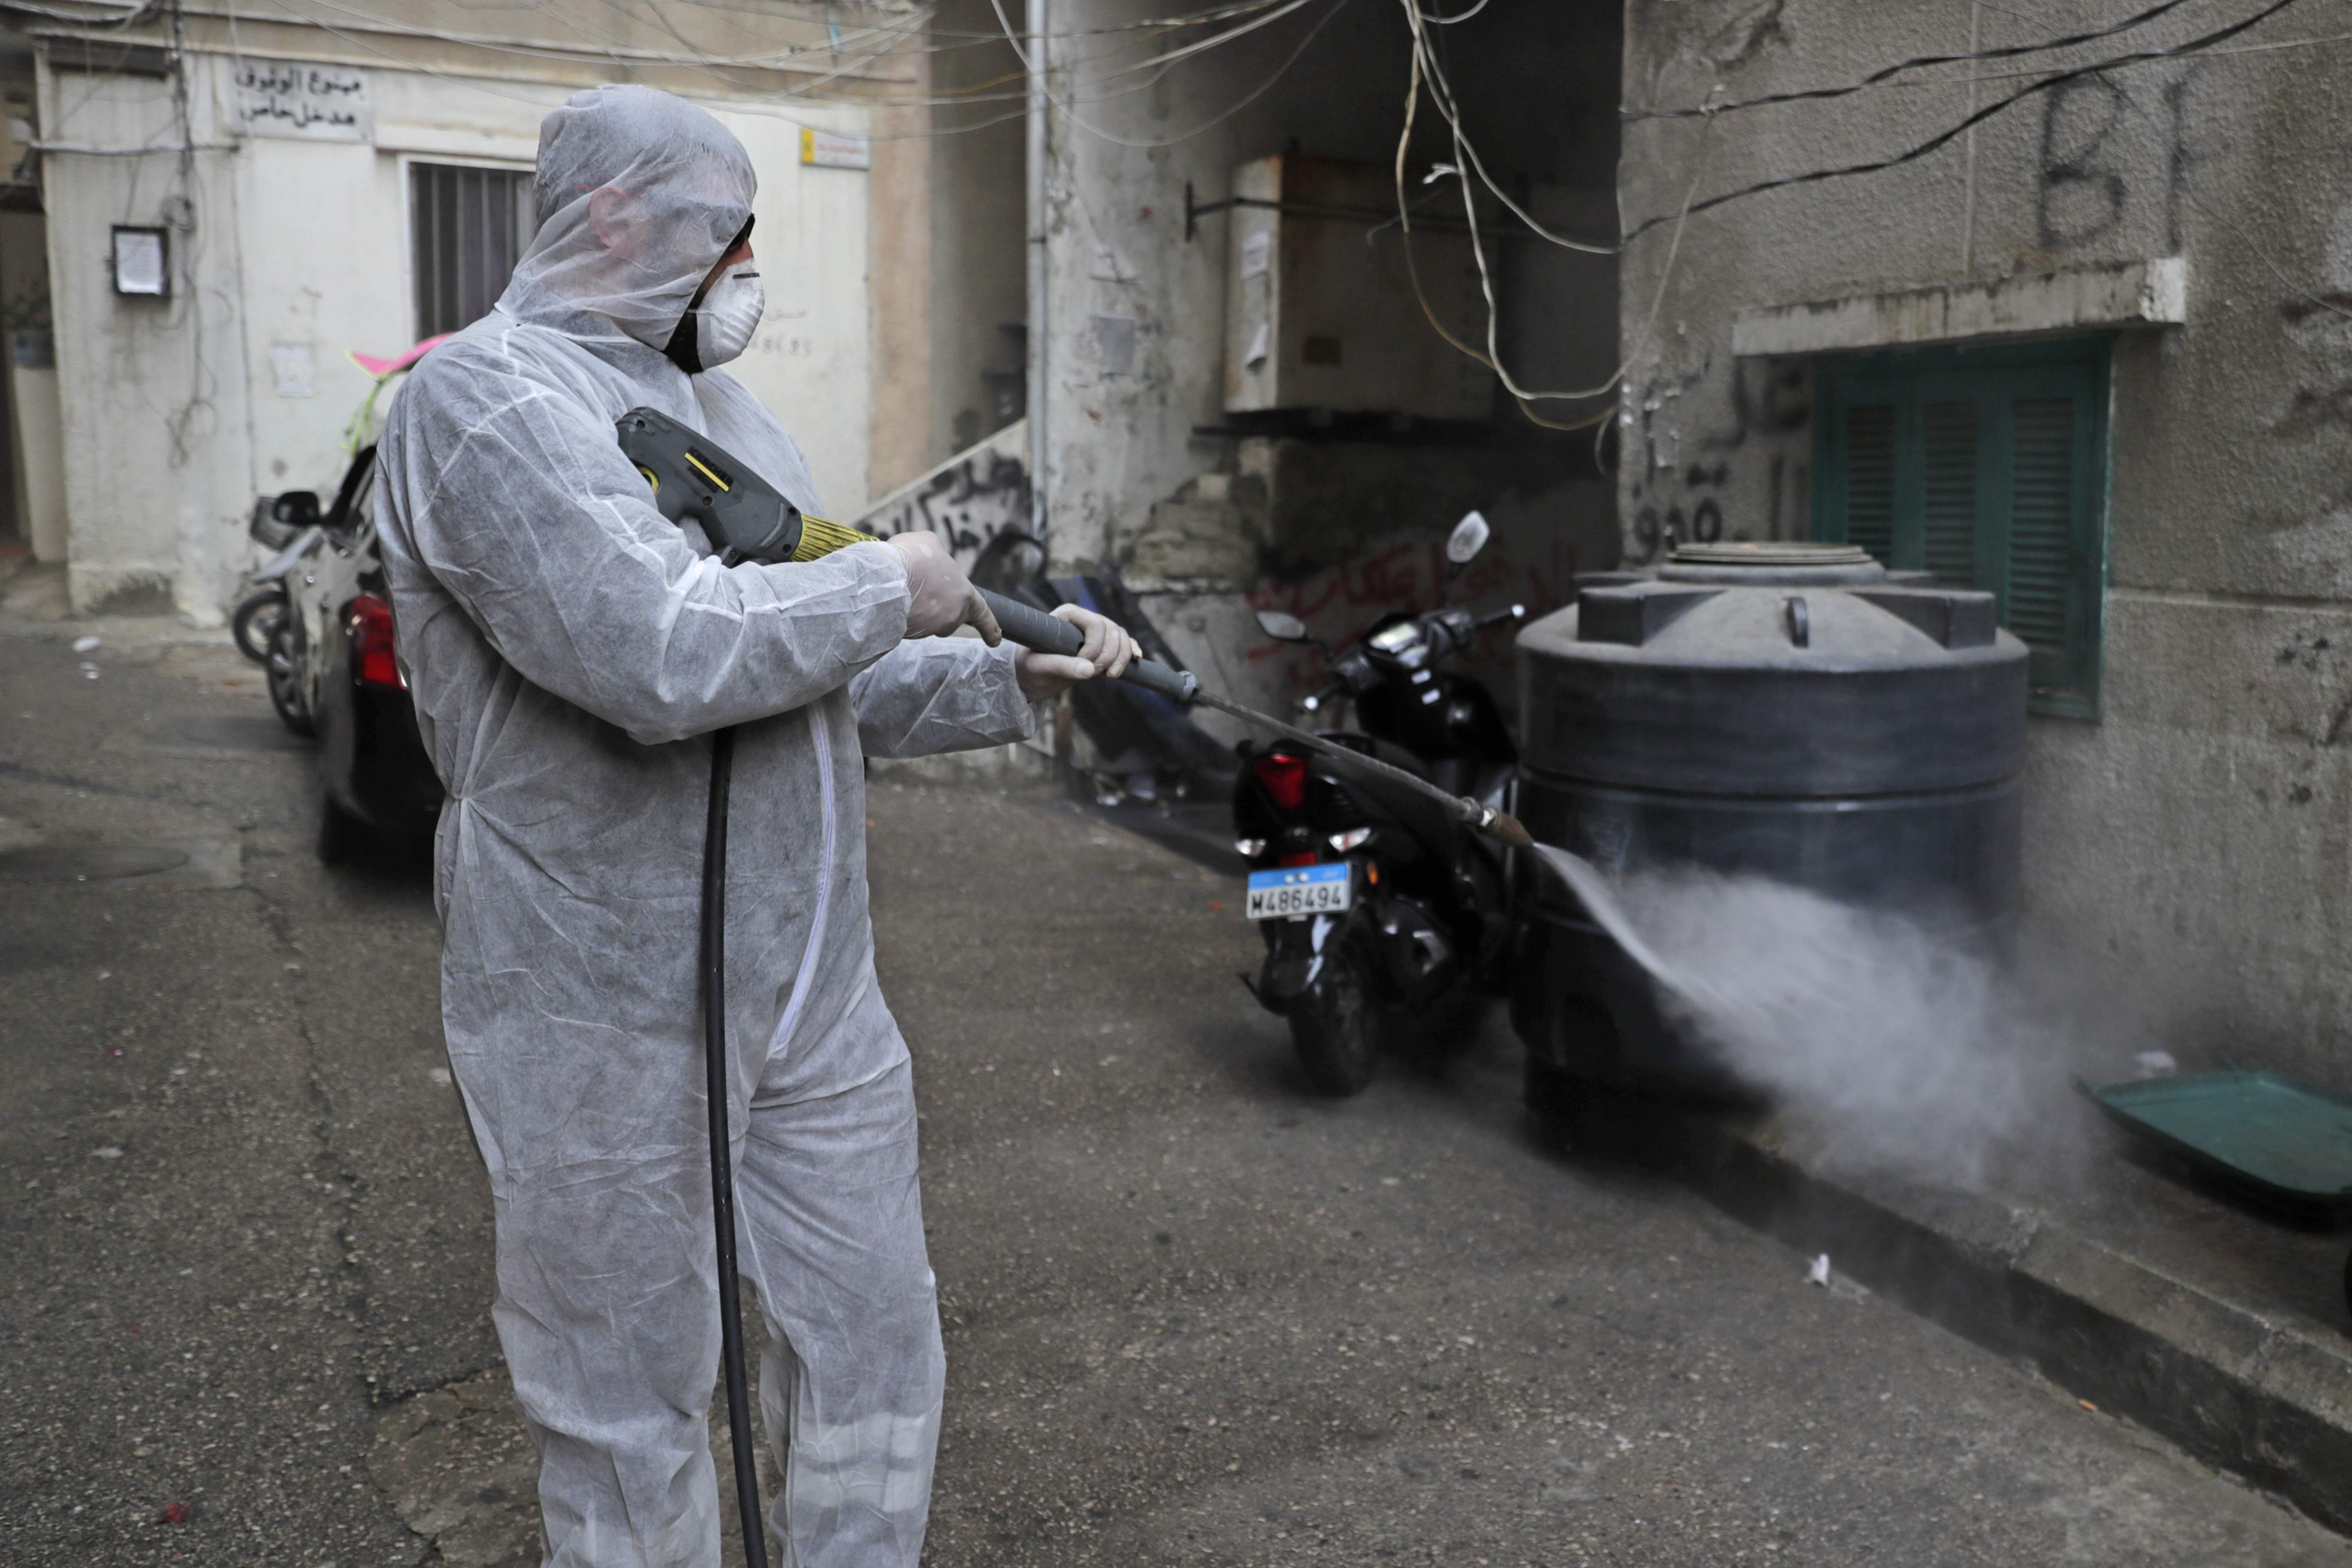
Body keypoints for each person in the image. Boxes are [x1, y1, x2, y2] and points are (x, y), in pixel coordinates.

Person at [373, 83, 1139, 1568]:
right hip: (599, 1006)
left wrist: (999, 677)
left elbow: (807, 678)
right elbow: (660, 652)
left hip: (809, 992)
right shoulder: (480, 402)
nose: (742, 269)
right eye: (727, 232)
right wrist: (891, 581)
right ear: (613, 217)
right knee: (627, 1397)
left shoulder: (728, 416)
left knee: (871, 1345)